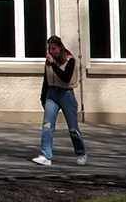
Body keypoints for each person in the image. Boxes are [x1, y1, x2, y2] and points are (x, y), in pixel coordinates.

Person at [33, 35, 88, 167]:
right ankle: (46, 155)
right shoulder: (48, 62)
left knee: (72, 128)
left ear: (59, 47)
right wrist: (43, 97)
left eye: (54, 49)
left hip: (66, 94)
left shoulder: (70, 60)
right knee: (47, 125)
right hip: (52, 93)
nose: (51, 52)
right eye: (49, 49)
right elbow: (46, 80)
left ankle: (81, 152)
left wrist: (53, 64)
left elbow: (65, 77)